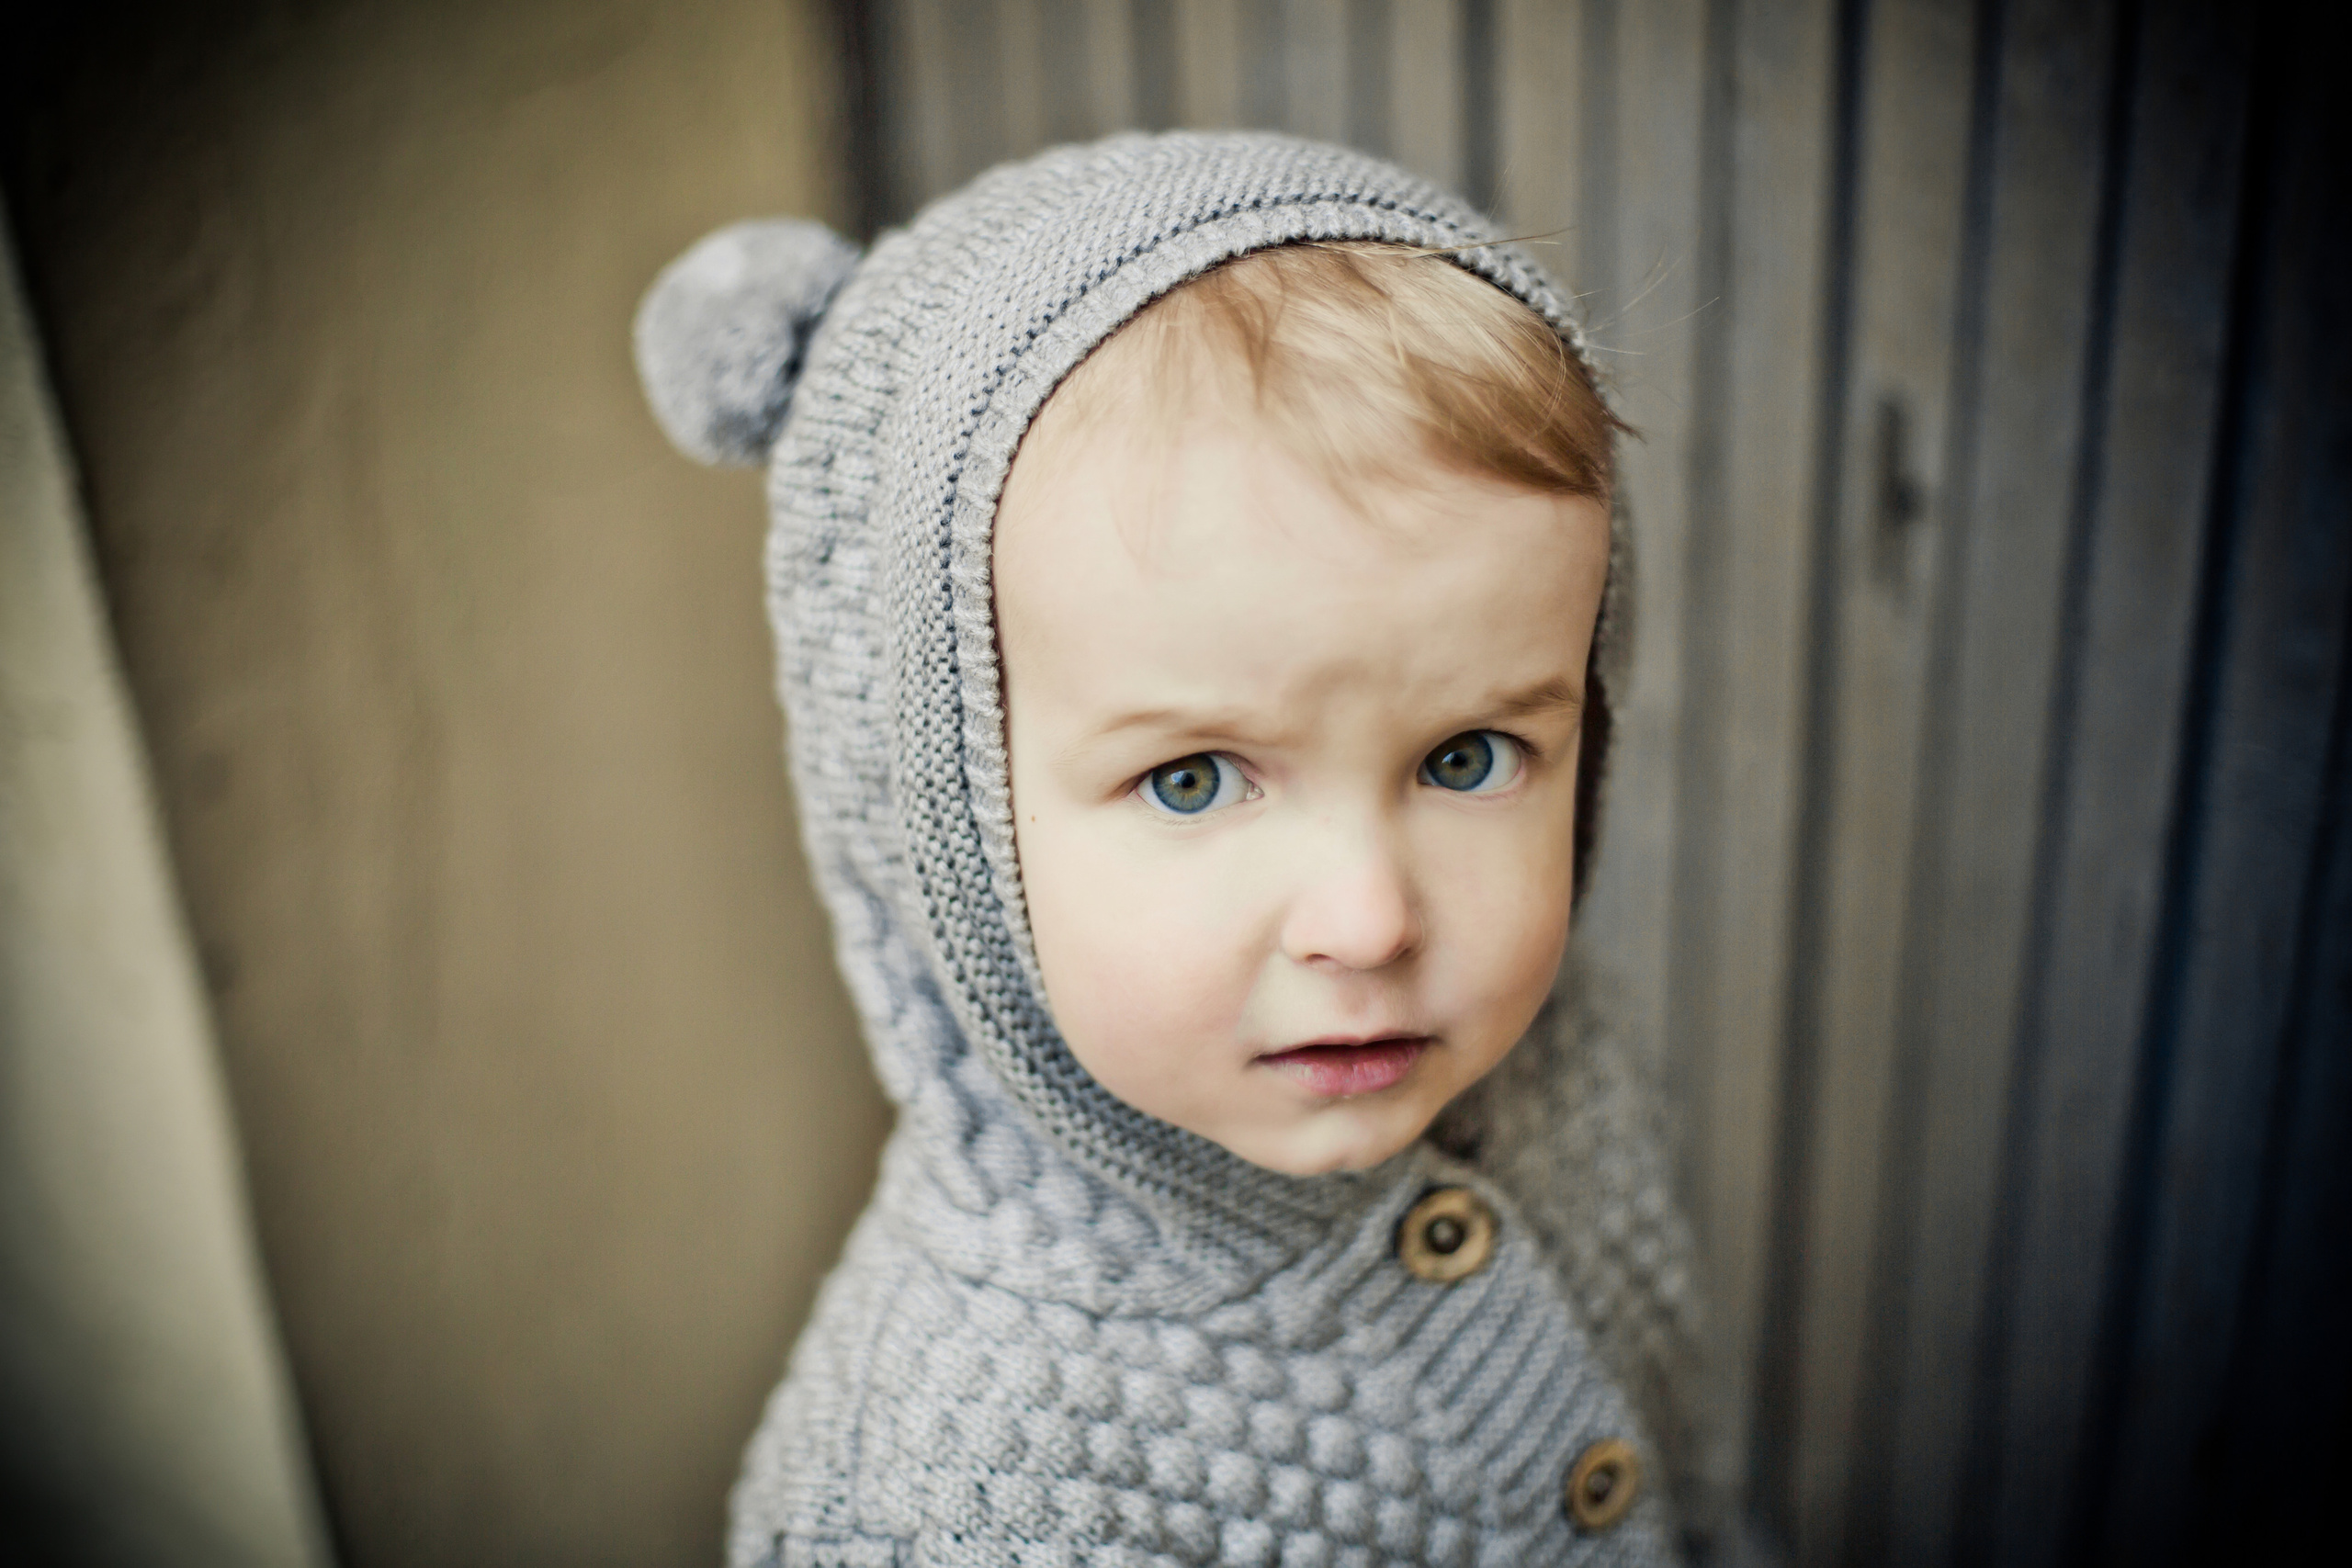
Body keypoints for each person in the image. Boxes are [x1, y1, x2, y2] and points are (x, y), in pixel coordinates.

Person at [635, 130, 1702, 1567]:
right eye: (1195, 779)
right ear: (940, 817)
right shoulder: (954, 1496)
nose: (1370, 922)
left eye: (1467, 758)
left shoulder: (1559, 1079)